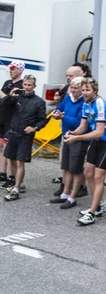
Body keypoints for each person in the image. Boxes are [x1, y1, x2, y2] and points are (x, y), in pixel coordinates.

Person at [0, 74, 47, 201]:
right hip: (13, 132)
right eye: (25, 84)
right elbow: (3, 105)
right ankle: (18, 183)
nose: (27, 87)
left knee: (20, 161)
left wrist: (34, 128)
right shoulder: (18, 97)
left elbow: (43, 120)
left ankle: (16, 189)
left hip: (26, 136)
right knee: (11, 159)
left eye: (30, 85)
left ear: (34, 86)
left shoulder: (39, 102)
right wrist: (9, 96)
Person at [63, 78, 106, 225]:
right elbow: (82, 126)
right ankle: (98, 205)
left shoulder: (99, 103)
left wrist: (78, 138)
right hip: (97, 141)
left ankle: (92, 213)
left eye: (88, 90)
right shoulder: (85, 104)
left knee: (99, 177)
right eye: (83, 90)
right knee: (88, 173)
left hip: (104, 141)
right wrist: (73, 133)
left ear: (95, 91)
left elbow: (99, 132)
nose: (85, 93)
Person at [0, 60, 25, 186]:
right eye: (10, 68)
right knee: (0, 147)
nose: (11, 71)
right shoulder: (8, 83)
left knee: (8, 149)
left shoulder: (22, 85)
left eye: (13, 69)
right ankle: (2, 173)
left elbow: (10, 101)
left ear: (20, 70)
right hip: (1, 117)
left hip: (11, 119)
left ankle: (11, 176)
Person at [50, 76, 86, 209]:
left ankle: (72, 196)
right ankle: (65, 193)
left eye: (76, 88)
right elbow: (58, 109)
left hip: (78, 138)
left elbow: (79, 123)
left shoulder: (84, 103)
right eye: (72, 87)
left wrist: (63, 116)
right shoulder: (68, 99)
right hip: (66, 137)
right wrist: (56, 113)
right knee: (65, 167)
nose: (73, 90)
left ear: (82, 89)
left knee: (75, 169)